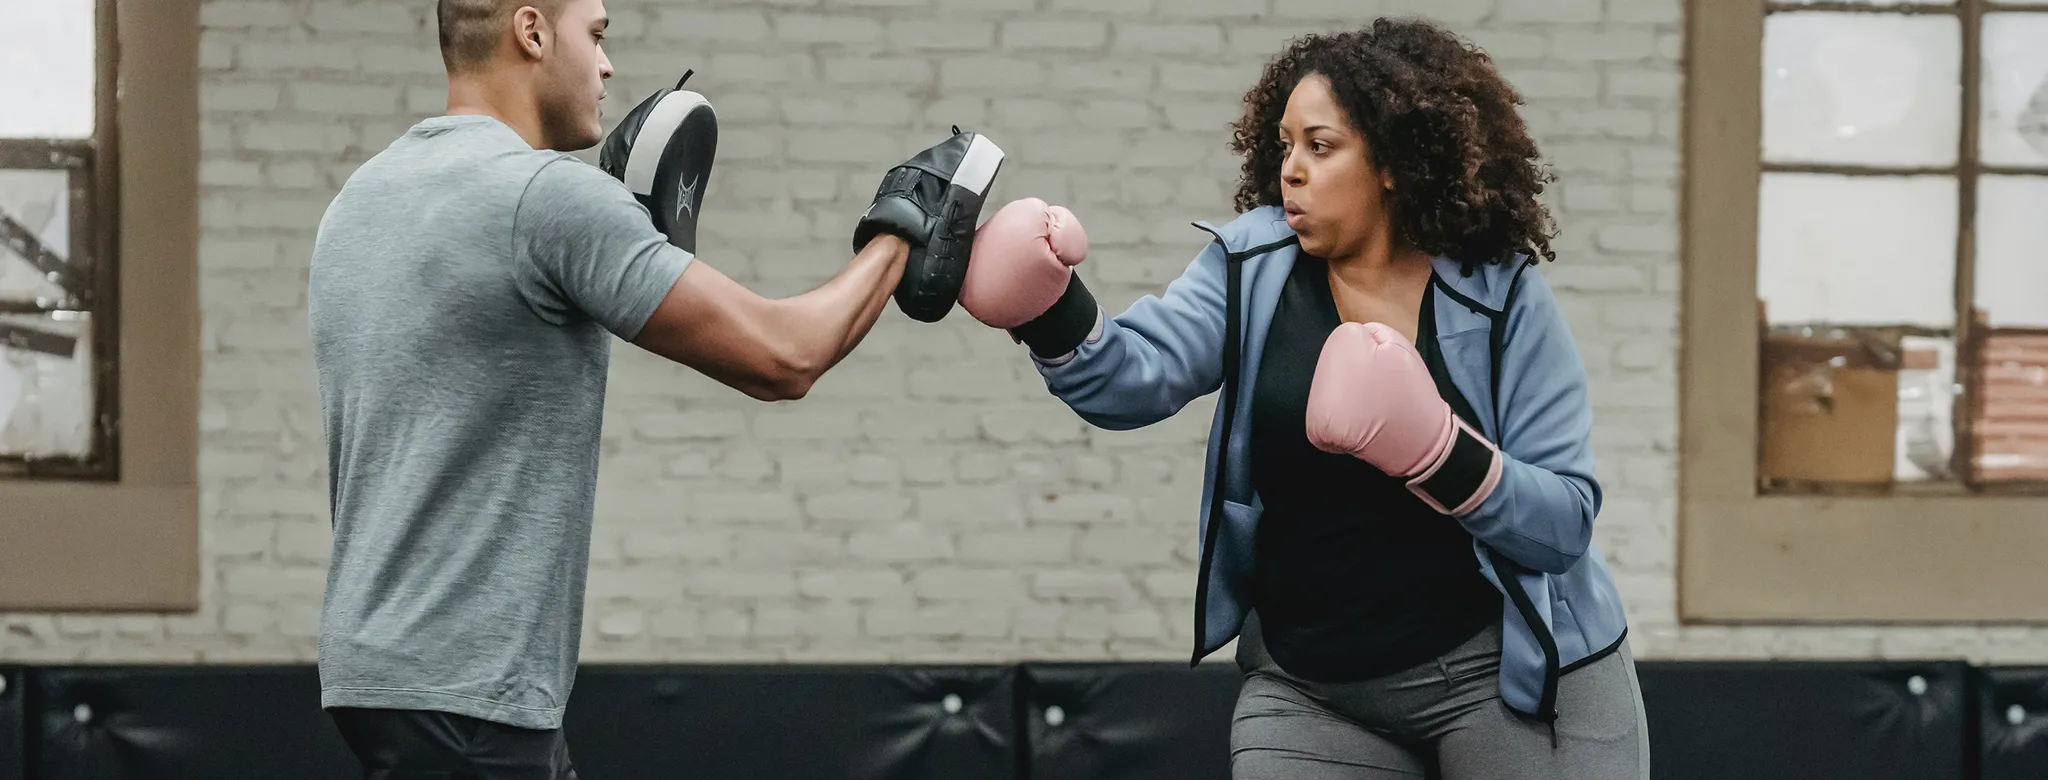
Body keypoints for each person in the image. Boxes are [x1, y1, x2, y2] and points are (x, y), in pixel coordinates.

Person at [305, 0, 1000, 776]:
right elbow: (786, 356)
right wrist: (903, 226)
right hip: (472, 691)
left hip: (378, 675)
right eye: (596, 35)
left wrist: (625, 239)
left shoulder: (362, 201)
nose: (606, 66)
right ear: (532, 32)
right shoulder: (547, 200)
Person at [960, 18, 1647, 780]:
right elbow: (1129, 378)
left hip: (1505, 678)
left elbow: (1562, 525)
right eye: (1285, 145)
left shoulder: (1502, 297)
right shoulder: (1252, 264)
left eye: (1320, 147)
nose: (1291, 169)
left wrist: (1440, 454)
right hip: (1313, 692)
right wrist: (1045, 307)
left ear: (1392, 161)